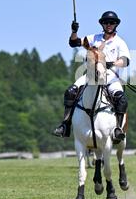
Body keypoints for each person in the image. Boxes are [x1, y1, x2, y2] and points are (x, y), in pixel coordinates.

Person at [52, 11, 131, 143]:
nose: (109, 25)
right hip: (90, 74)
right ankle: (65, 125)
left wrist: (112, 63)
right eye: (106, 22)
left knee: (121, 98)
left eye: (112, 22)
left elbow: (126, 61)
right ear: (102, 24)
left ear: (116, 24)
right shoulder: (94, 38)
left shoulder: (119, 42)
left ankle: (117, 129)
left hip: (110, 76)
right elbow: (74, 42)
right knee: (71, 92)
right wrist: (74, 31)